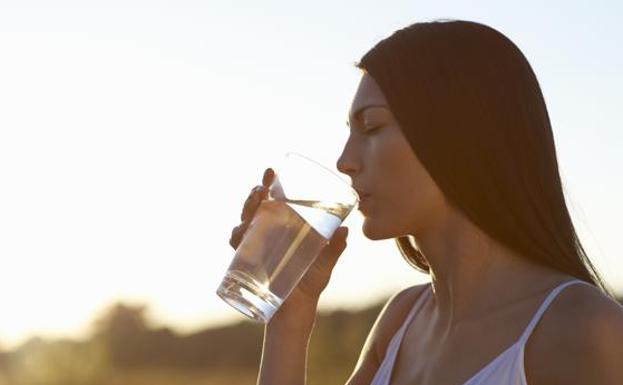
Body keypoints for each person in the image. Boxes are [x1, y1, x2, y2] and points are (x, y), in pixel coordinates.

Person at [229, 20, 623, 385]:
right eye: (351, 131)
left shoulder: (585, 331)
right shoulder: (401, 321)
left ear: (459, 134)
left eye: (372, 127)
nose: (345, 161)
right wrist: (289, 318)